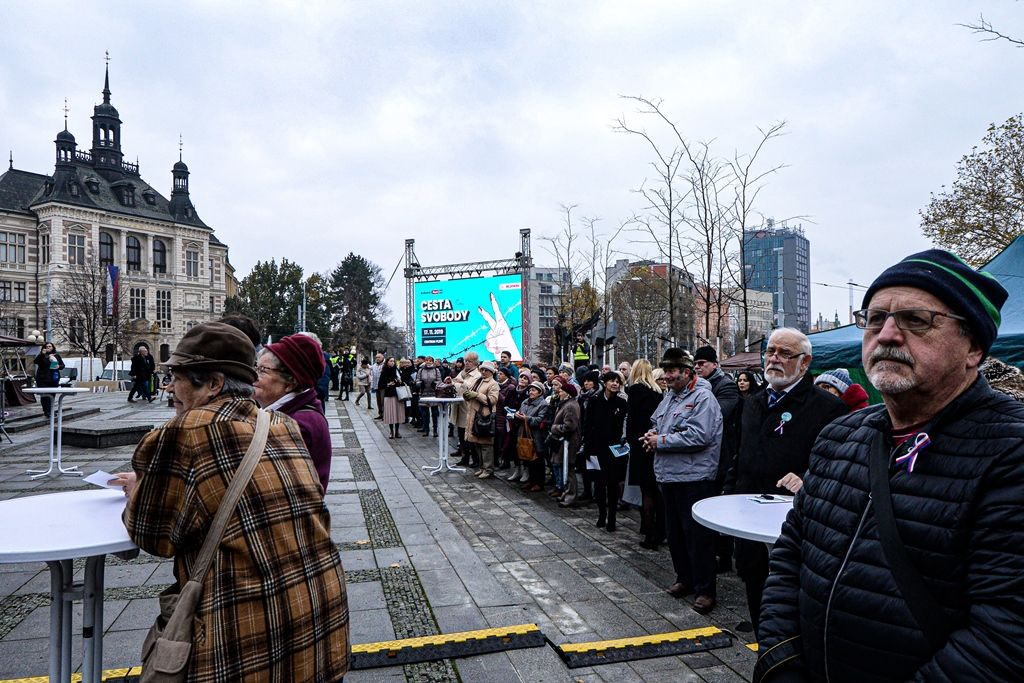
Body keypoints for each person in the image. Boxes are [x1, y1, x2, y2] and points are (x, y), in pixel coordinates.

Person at [756, 249, 1023, 682]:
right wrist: (781, 665)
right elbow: (790, 559)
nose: (887, 335)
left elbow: (1005, 637)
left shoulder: (1011, 451)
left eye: (917, 320)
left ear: (973, 346)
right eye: (875, 319)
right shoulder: (839, 436)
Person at [111, 322, 349, 681]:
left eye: (177, 376)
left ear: (213, 384)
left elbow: (153, 536)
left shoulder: (185, 431)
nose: (169, 386)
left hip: (247, 635)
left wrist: (137, 490)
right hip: (320, 618)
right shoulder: (280, 423)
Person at [726, 327, 846, 636]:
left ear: (805, 363)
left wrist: (807, 476)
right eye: (770, 352)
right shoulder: (752, 402)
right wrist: (729, 495)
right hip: (749, 515)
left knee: (792, 601)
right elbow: (740, 455)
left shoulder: (828, 408)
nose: (774, 359)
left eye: (785, 353)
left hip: (795, 524)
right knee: (755, 586)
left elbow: (838, 465)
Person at [642, 348, 723, 614]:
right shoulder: (669, 397)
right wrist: (652, 433)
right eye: (665, 371)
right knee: (676, 535)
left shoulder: (703, 398)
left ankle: (705, 590)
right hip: (669, 476)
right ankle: (684, 579)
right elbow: (658, 422)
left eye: (671, 371)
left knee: (697, 538)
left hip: (694, 478)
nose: (666, 376)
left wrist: (660, 441)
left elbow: (700, 436)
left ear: (686, 372)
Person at [254, 333, 332, 492]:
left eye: (263, 370)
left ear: (290, 382)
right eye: (256, 367)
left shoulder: (299, 423)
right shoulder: (293, 412)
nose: (254, 376)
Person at [693, 346, 740, 572]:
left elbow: (715, 416)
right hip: (706, 457)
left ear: (714, 364)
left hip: (723, 457)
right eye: (696, 364)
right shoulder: (697, 387)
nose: (697, 367)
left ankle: (724, 554)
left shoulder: (726, 386)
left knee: (721, 506)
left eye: (702, 363)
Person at [581, 370, 628, 531]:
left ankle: (612, 517)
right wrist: (587, 446)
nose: (615, 384)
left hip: (614, 450)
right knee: (599, 484)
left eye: (618, 382)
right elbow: (587, 425)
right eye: (612, 381)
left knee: (613, 484)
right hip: (595, 448)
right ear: (605, 383)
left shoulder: (622, 404)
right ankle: (602, 514)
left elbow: (623, 426)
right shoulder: (594, 401)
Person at [625, 359, 664, 548]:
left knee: (646, 492)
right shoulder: (657, 392)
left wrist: (630, 439)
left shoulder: (635, 390)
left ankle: (650, 534)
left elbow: (631, 419)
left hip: (640, 444)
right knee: (656, 490)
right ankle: (659, 530)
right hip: (655, 442)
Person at [462, 361, 500, 478]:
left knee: (486, 444)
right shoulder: (479, 380)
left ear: (491, 372)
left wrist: (476, 395)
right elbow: (472, 394)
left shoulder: (493, 384)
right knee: (477, 443)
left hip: (485, 416)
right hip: (474, 414)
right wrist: (467, 395)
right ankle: (482, 467)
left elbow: (493, 400)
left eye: (486, 370)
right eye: (482, 369)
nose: (483, 372)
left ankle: (488, 469)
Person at [515, 381, 551, 492]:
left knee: (537, 460)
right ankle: (531, 481)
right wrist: (516, 415)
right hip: (524, 433)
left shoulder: (543, 404)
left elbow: (539, 420)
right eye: (530, 390)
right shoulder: (525, 402)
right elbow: (521, 413)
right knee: (528, 459)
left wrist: (526, 418)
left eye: (534, 390)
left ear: (540, 392)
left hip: (536, 436)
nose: (531, 392)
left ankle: (538, 483)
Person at [549, 382, 582, 504]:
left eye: (562, 391)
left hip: (569, 442)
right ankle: (566, 492)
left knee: (569, 469)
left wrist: (554, 428)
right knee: (565, 468)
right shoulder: (566, 404)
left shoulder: (570, 406)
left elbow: (569, 426)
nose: (559, 393)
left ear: (567, 394)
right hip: (565, 442)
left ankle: (571, 496)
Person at [33, 341, 64, 417]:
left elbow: (62, 365)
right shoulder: (42, 356)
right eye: (47, 347)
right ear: (44, 348)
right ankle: (46, 411)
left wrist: (58, 366)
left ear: (53, 347)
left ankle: (51, 410)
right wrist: (42, 354)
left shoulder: (56, 356)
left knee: (52, 395)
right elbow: (36, 361)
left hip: (53, 379)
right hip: (43, 379)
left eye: (50, 346)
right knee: (45, 395)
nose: (48, 348)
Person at [379, 356, 405, 439]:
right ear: (387, 362)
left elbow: (402, 382)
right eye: (390, 361)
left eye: (393, 361)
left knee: (397, 414)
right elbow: (380, 385)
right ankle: (391, 432)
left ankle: (397, 431)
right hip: (389, 395)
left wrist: (400, 381)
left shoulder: (397, 370)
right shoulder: (384, 371)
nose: (392, 362)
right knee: (391, 414)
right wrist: (388, 384)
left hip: (398, 394)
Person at [416, 356, 442, 436]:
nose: (428, 362)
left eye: (430, 361)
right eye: (427, 360)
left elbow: (440, 381)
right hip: (423, 393)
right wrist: (420, 384)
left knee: (434, 413)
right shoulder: (421, 370)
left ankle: (435, 430)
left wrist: (435, 384)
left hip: (433, 394)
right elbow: (417, 380)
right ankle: (426, 430)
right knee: (424, 413)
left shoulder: (436, 370)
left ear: (433, 362)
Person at [370, 352, 385, 419]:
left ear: (382, 357)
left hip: (383, 386)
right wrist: (372, 386)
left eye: (379, 357)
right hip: (376, 386)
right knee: (378, 401)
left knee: (383, 401)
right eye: (376, 357)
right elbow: (372, 376)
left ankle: (385, 414)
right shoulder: (374, 365)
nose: (377, 359)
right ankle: (380, 413)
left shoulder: (385, 365)